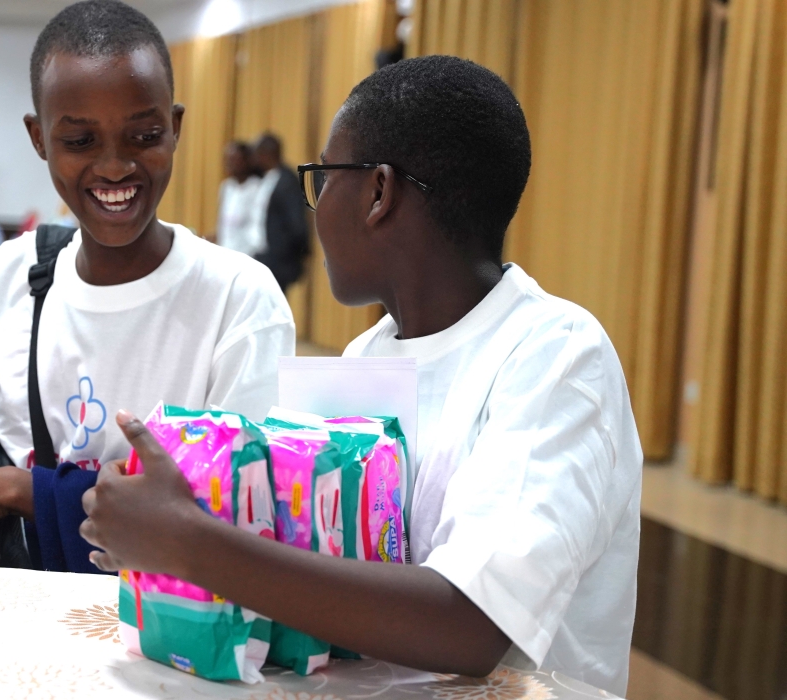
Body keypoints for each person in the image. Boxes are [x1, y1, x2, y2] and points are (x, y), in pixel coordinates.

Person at [80, 56, 642, 697]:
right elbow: (317, 575)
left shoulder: (557, 357)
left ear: (378, 192)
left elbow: (470, 625)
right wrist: (176, 521)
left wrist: (191, 544)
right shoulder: (364, 357)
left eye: (323, 179)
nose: (316, 211)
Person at [0, 0, 294, 573]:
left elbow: (239, 512)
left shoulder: (237, 298)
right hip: (14, 616)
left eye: (144, 135)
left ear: (175, 128)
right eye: (79, 142)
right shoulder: (4, 277)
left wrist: (18, 488)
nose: (115, 166)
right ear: (39, 137)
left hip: (164, 630)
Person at [251, 133, 308, 290]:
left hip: (278, 259)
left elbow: (296, 223)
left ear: (265, 154)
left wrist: (294, 257)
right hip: (262, 255)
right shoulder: (266, 178)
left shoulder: (287, 182)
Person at [214, 140, 262, 254]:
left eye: (234, 160)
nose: (229, 164)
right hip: (225, 254)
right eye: (227, 160)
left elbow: (256, 229)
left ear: (247, 161)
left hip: (248, 256)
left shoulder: (257, 188)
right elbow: (224, 225)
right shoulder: (226, 187)